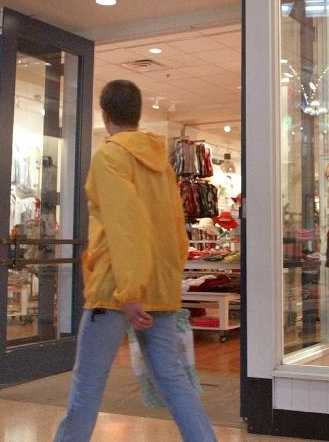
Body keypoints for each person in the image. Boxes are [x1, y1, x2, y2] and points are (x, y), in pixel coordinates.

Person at [54, 80, 215, 442]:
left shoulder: (110, 156)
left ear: (105, 114)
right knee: (174, 381)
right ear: (138, 115)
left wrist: (129, 291)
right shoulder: (162, 164)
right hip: (158, 288)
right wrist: (167, 283)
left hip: (117, 291)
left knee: (88, 384)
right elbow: (176, 231)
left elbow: (125, 226)